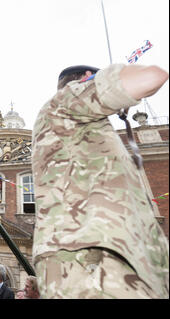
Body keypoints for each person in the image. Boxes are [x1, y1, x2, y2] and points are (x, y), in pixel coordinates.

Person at [31, 63, 169, 298]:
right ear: (87, 78)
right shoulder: (66, 99)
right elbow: (153, 76)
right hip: (92, 257)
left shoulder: (84, 125)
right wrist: (108, 76)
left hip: (122, 256)